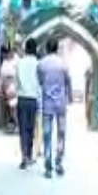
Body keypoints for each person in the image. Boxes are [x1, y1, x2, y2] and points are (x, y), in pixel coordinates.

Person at [36, 38, 71, 179]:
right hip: (61, 103)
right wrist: (70, 97)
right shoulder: (63, 64)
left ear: (46, 48)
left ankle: (48, 165)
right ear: (57, 48)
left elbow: (39, 81)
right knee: (61, 133)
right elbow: (68, 82)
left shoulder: (41, 64)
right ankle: (59, 162)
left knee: (47, 134)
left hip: (47, 104)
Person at [15, 39, 41, 169]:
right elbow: (40, 83)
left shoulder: (19, 63)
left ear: (26, 48)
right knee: (31, 129)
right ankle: (29, 156)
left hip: (21, 99)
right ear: (35, 49)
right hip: (33, 99)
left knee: (22, 130)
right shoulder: (38, 64)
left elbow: (16, 82)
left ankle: (24, 156)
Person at [0, 45, 19, 132]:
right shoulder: (4, 62)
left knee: (13, 106)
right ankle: (11, 124)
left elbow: (18, 74)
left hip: (14, 85)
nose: (4, 56)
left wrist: (15, 86)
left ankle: (16, 124)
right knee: (9, 107)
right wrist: (0, 86)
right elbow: (1, 76)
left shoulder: (16, 60)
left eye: (5, 54)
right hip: (6, 87)